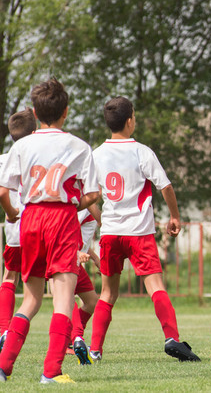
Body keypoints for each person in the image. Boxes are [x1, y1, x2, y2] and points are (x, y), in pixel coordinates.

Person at [0, 78, 100, 384]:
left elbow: (4, 191)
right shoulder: (78, 146)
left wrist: (13, 213)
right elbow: (94, 195)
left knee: (30, 300)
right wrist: (73, 202)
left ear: (34, 111)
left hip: (30, 219)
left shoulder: (22, 145)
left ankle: (3, 367)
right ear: (66, 112)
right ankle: (51, 371)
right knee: (62, 299)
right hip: (61, 220)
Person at [88, 96, 200, 363]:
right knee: (156, 287)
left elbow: (89, 196)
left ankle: (95, 350)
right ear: (130, 122)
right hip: (139, 233)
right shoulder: (141, 151)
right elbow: (166, 187)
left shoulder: (96, 155)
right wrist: (175, 216)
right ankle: (172, 337)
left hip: (112, 233)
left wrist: (104, 220)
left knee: (107, 294)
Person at [0, 109, 36, 348]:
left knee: (9, 277)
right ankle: (69, 337)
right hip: (39, 226)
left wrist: (11, 212)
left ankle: (4, 330)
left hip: (15, 230)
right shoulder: (37, 155)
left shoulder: (3, 159)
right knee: (57, 282)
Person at [67, 204, 102, 365]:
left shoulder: (89, 204)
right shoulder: (84, 204)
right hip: (66, 257)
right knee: (65, 299)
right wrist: (75, 252)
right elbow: (66, 230)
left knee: (92, 301)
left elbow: (82, 238)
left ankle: (70, 339)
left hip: (75, 259)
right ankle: (76, 338)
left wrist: (94, 258)